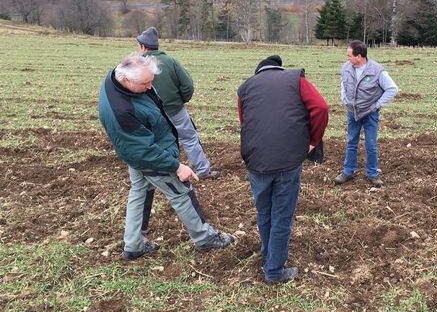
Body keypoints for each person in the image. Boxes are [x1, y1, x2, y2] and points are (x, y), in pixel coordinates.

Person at [98, 53, 234, 260]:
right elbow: (144, 151)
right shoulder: (122, 110)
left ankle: (134, 244)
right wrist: (177, 166)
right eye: (145, 83)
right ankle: (204, 237)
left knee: (140, 192)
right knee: (181, 192)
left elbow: (138, 144)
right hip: (150, 156)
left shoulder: (115, 79)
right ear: (126, 79)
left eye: (151, 80)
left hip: (137, 153)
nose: (150, 87)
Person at [237, 55, 329, 283]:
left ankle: (268, 253)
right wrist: (312, 141)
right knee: (281, 215)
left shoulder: (245, 87)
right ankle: (275, 271)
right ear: (279, 69)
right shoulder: (295, 79)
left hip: (255, 159)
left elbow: (244, 120)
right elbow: (321, 107)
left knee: (264, 210)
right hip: (287, 160)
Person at [136, 26, 219, 180]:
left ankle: (164, 173)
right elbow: (188, 86)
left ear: (142, 46)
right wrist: (180, 101)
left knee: (157, 142)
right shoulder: (171, 61)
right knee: (190, 139)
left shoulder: (137, 65)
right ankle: (202, 171)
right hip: (176, 111)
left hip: (149, 114)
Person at [335, 40, 398, 188]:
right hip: (352, 112)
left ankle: (373, 174)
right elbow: (343, 83)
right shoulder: (346, 68)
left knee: (370, 144)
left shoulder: (377, 71)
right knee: (351, 142)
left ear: (359, 56)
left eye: (349, 55)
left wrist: (377, 105)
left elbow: (392, 89)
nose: (347, 58)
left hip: (370, 113)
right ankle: (348, 171)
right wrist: (344, 99)